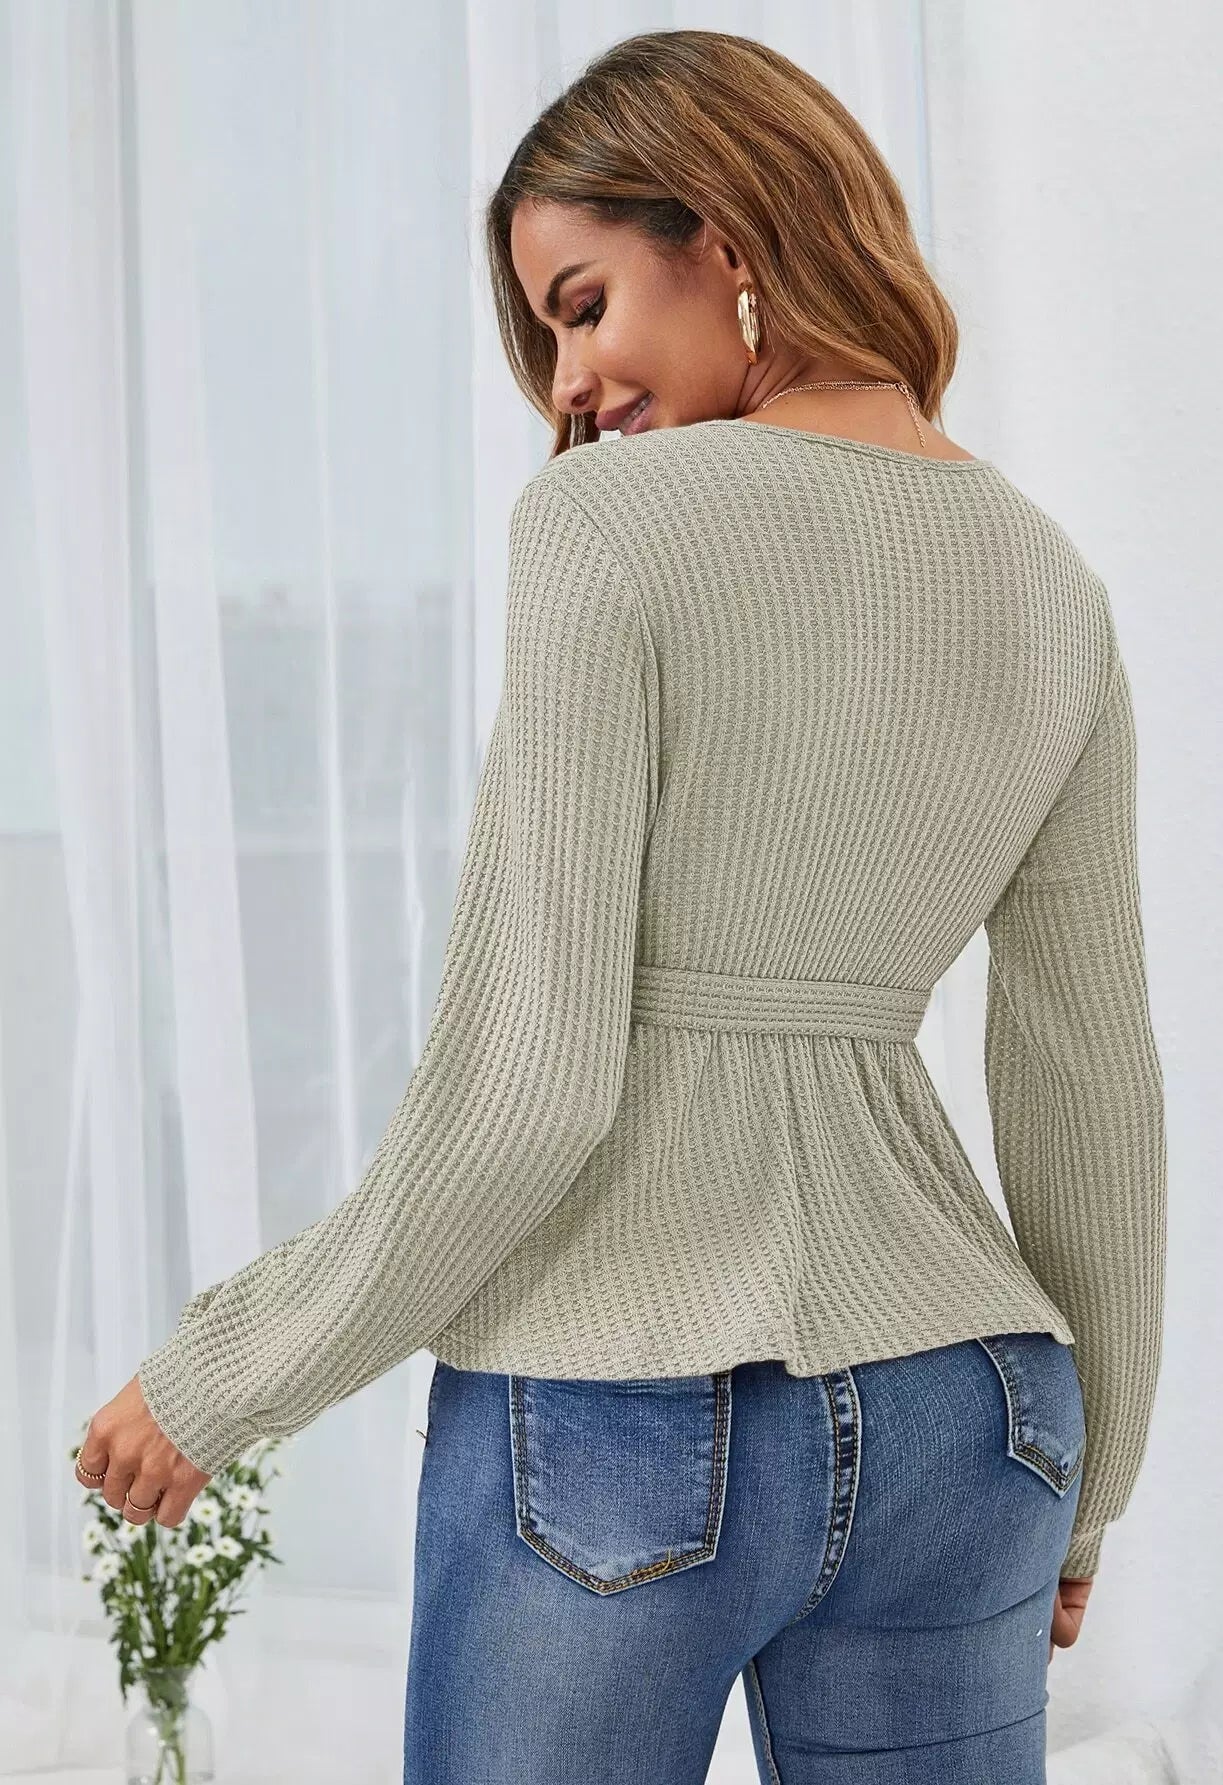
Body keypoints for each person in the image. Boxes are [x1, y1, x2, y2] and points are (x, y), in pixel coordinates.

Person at [76, 29, 1166, 1783]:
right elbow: (1091, 1083)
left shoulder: (612, 525)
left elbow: (532, 1084)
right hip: (979, 1418)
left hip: (621, 1411)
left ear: (724, 238)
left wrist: (225, 1373)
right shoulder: (1054, 586)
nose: (572, 383)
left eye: (582, 306)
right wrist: (1090, 1486)